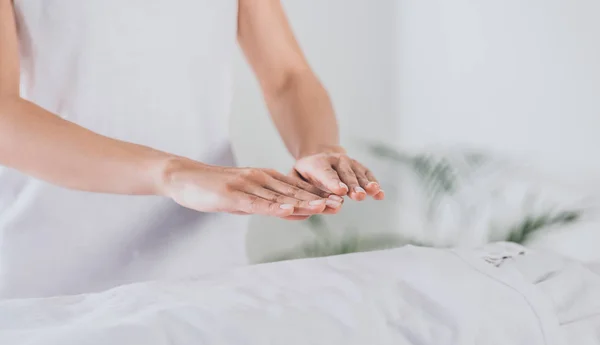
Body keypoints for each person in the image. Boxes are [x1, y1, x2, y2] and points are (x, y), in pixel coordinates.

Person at [0, 0, 384, 299]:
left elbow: (287, 76)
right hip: (52, 275)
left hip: (203, 268)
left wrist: (317, 148)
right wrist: (173, 174)